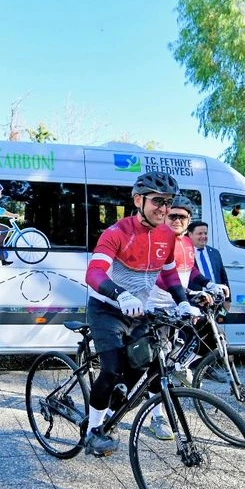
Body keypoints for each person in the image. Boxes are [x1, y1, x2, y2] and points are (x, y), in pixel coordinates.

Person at [82, 172, 200, 456]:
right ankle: (93, 431)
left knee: (140, 369)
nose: (164, 208)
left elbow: (170, 273)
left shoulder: (168, 236)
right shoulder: (117, 233)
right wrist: (120, 294)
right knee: (111, 370)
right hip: (107, 309)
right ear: (138, 200)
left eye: (168, 202)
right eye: (157, 201)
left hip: (138, 313)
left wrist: (183, 301)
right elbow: (94, 272)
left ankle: (111, 412)